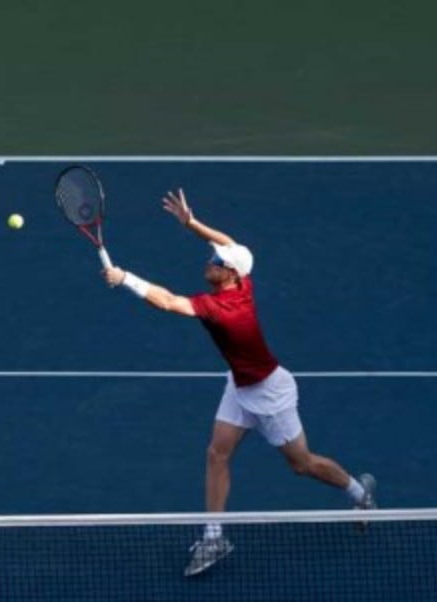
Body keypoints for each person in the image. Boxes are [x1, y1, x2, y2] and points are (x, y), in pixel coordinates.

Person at [102, 189, 376, 577]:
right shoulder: (241, 282)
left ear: (229, 273)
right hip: (241, 386)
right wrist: (191, 223)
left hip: (270, 394)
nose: (209, 260)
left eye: (215, 262)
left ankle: (359, 494)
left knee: (302, 464)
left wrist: (125, 277)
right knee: (217, 454)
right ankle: (214, 538)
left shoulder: (223, 311)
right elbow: (227, 242)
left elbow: (166, 302)